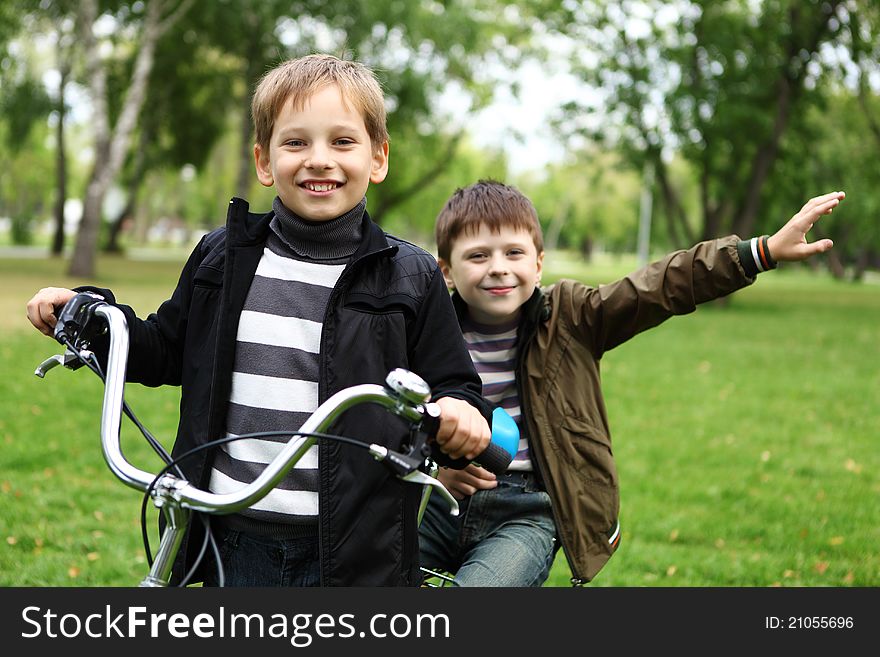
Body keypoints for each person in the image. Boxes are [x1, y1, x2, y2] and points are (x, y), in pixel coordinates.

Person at [25, 54, 492, 587]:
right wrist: (90, 318)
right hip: (233, 533)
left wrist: (458, 410)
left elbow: (455, 383)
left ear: (378, 158)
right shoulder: (224, 257)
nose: (319, 160)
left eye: (342, 142)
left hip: (353, 544)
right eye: (296, 143)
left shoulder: (408, 275)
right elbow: (165, 347)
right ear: (264, 161)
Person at [418, 179, 845, 586]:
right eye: (478, 256)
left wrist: (760, 252)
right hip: (438, 502)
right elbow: (390, 414)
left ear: (538, 262)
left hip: (527, 511)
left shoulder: (573, 316)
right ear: (446, 271)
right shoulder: (424, 333)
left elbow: (658, 286)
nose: (498, 269)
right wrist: (436, 470)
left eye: (514, 252)